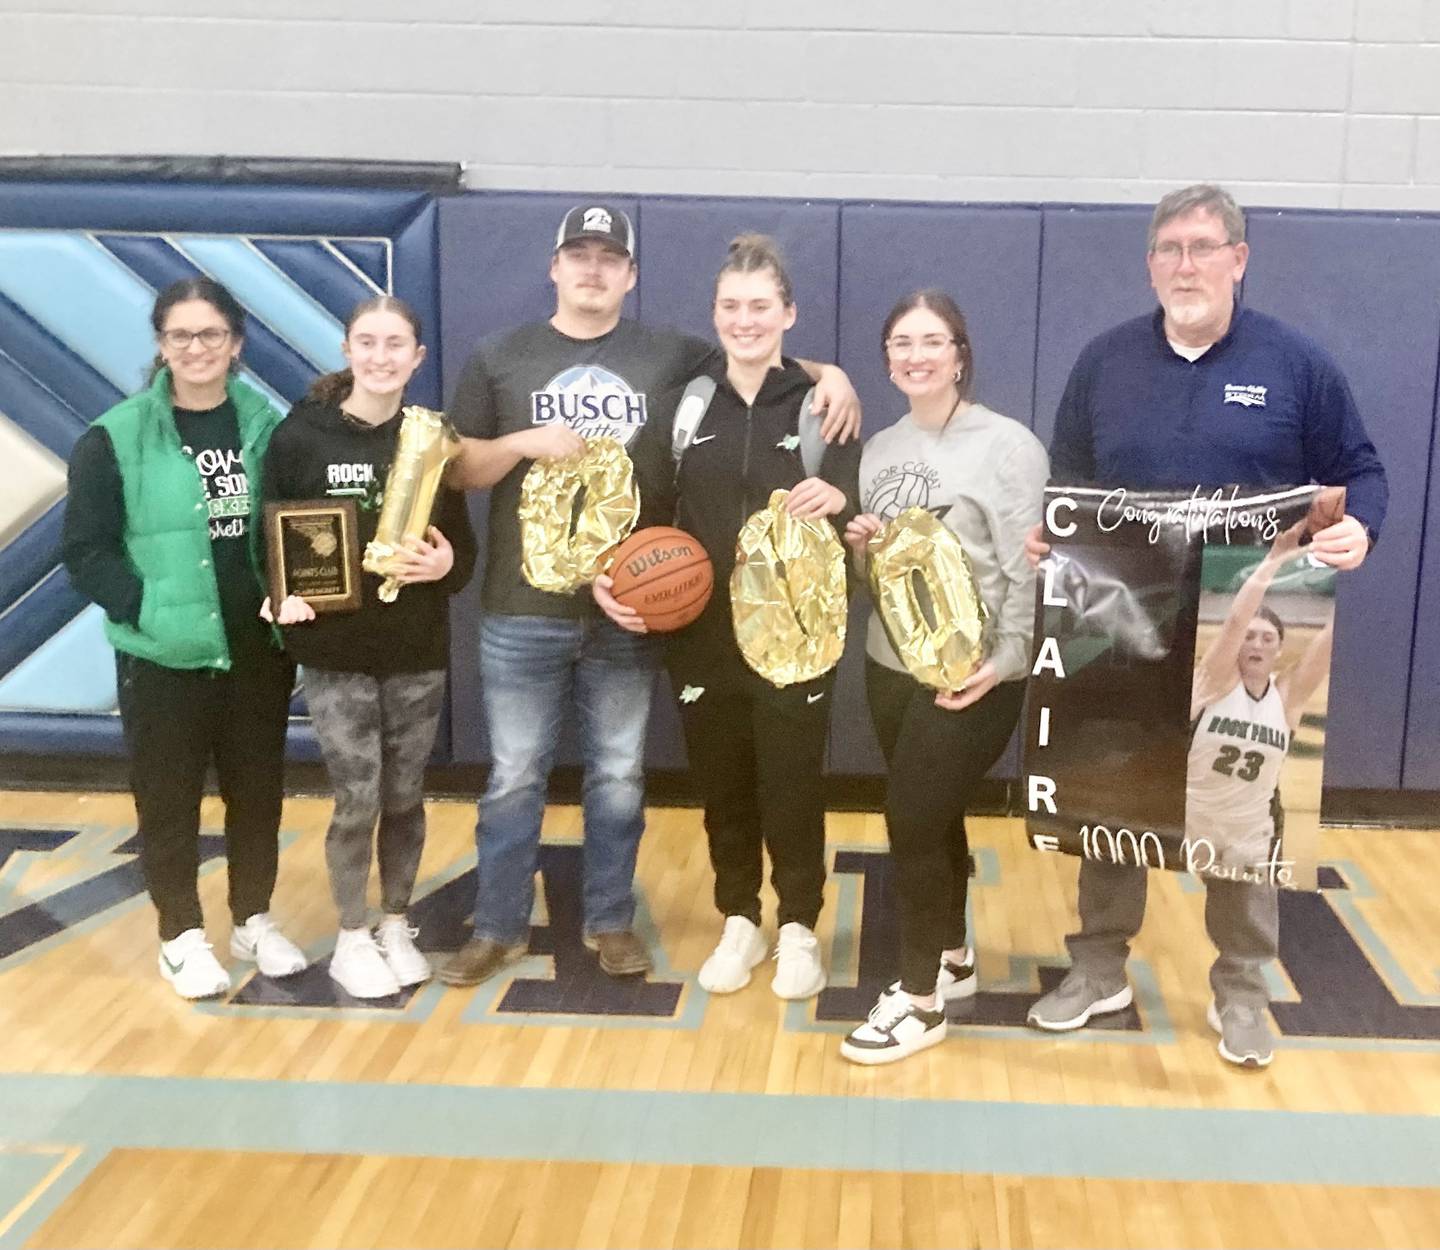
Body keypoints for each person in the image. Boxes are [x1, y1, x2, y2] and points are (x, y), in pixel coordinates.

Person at [441, 205, 861, 987]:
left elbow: (815, 439)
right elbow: (481, 470)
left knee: (690, 781)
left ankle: (733, 924)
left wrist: (830, 375)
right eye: (579, 255)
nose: (593, 270)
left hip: (719, 620)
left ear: (632, 275)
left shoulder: (741, 380)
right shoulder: (539, 363)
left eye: (610, 258)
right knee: (534, 777)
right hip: (597, 615)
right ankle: (516, 927)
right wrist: (534, 457)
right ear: (556, 267)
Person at [1025, 183, 1388, 1069]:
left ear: (1238, 259)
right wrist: (1051, 535)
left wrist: (1360, 528)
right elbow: (1067, 479)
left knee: (1240, 804)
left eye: (1201, 246)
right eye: (1168, 249)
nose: (1184, 264)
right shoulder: (1104, 362)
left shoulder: (1297, 365)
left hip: (1247, 613)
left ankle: (1242, 988)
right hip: (1127, 617)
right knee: (1111, 790)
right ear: (1150, 265)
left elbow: (1361, 471)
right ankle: (1099, 965)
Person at [595, 234, 860, 1000]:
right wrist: (618, 580)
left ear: (788, 314)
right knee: (724, 785)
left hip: (799, 635)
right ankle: (740, 918)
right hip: (700, 631)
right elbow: (644, 510)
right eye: (731, 306)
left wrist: (843, 500)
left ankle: (801, 925)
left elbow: (857, 504)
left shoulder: (820, 402)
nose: (745, 320)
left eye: (760, 307)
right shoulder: (686, 400)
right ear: (715, 313)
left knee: (793, 783)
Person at [61, 277, 305, 999]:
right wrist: (148, 608)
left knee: (258, 795)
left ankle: (253, 918)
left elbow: (301, 528)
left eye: (211, 335)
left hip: (256, 651)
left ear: (237, 344)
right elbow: (87, 551)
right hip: (164, 657)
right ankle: (181, 934)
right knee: (168, 801)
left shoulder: (269, 426)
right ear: (162, 346)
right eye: (181, 336)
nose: (196, 348)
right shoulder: (113, 436)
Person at [836, 290, 1048, 1064]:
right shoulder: (881, 449)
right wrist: (863, 546)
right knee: (936, 813)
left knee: (912, 818)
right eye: (901, 343)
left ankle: (920, 1001)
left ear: (960, 352)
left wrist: (1008, 662)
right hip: (891, 665)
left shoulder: (1009, 446)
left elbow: (1028, 570)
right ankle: (953, 955)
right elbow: (883, 578)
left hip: (977, 672)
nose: (915, 355)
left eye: (932, 341)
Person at [261, 296, 476, 999]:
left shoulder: (432, 439)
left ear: (417, 357)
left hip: (416, 647)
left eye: (396, 345)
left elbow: (463, 554)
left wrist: (447, 568)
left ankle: (394, 921)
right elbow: (271, 543)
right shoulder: (302, 436)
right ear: (349, 350)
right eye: (368, 342)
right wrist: (280, 592)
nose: (381, 357)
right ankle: (351, 935)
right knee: (358, 798)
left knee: (407, 796)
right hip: (335, 649)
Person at [1187, 521, 1332, 877]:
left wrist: (1354, 568)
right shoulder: (1214, 682)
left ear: (1280, 649)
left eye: (1268, 639)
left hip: (1252, 834)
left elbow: (1327, 646)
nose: (1257, 644)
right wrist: (1274, 560)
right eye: (1251, 637)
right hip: (1193, 823)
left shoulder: (1285, 698)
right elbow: (1236, 620)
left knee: (1245, 927)